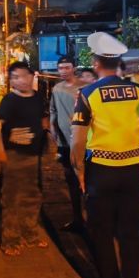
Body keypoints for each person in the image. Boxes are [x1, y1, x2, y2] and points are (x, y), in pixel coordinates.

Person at [71, 33, 139, 278]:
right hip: (133, 171)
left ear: (96, 63)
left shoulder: (88, 94)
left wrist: (79, 171)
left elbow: (77, 141)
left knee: (101, 233)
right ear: (118, 63)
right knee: (129, 233)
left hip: (100, 171)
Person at [0, 61, 49, 256]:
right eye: (14, 77)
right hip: (13, 156)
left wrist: (47, 138)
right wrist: (0, 151)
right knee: (11, 199)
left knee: (33, 197)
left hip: (34, 155)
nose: (19, 80)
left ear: (32, 76)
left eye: (23, 75)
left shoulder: (38, 98)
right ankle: (10, 239)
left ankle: (30, 234)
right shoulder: (9, 100)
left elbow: (43, 120)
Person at [49, 55, 84, 232]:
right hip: (64, 142)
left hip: (84, 142)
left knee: (87, 180)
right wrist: (52, 128)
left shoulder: (84, 87)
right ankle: (77, 218)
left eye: (67, 67)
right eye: (60, 68)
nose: (63, 71)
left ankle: (92, 218)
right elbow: (53, 110)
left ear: (74, 68)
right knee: (70, 180)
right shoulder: (56, 89)